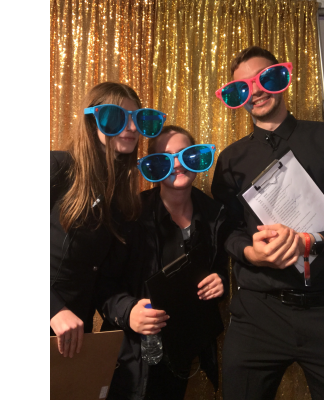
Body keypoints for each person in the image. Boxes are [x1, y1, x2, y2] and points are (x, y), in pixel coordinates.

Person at [212, 46, 324, 399]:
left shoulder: (322, 138)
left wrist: (313, 240)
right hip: (258, 312)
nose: (256, 91)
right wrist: (249, 252)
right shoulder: (231, 159)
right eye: (243, 87)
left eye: (265, 78)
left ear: (282, 80)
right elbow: (226, 229)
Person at [98, 125, 229, 399]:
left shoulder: (215, 215)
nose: (178, 164)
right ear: (152, 166)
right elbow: (102, 282)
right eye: (165, 158)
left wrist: (221, 282)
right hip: (134, 357)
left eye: (186, 155)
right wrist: (128, 311)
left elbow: (219, 270)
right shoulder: (131, 215)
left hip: (182, 351)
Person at [50, 82, 166, 358]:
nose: (132, 127)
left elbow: (102, 280)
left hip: (73, 338)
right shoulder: (56, 168)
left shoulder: (122, 201)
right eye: (116, 117)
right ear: (93, 122)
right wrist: (53, 309)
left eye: (138, 118)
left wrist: (129, 312)